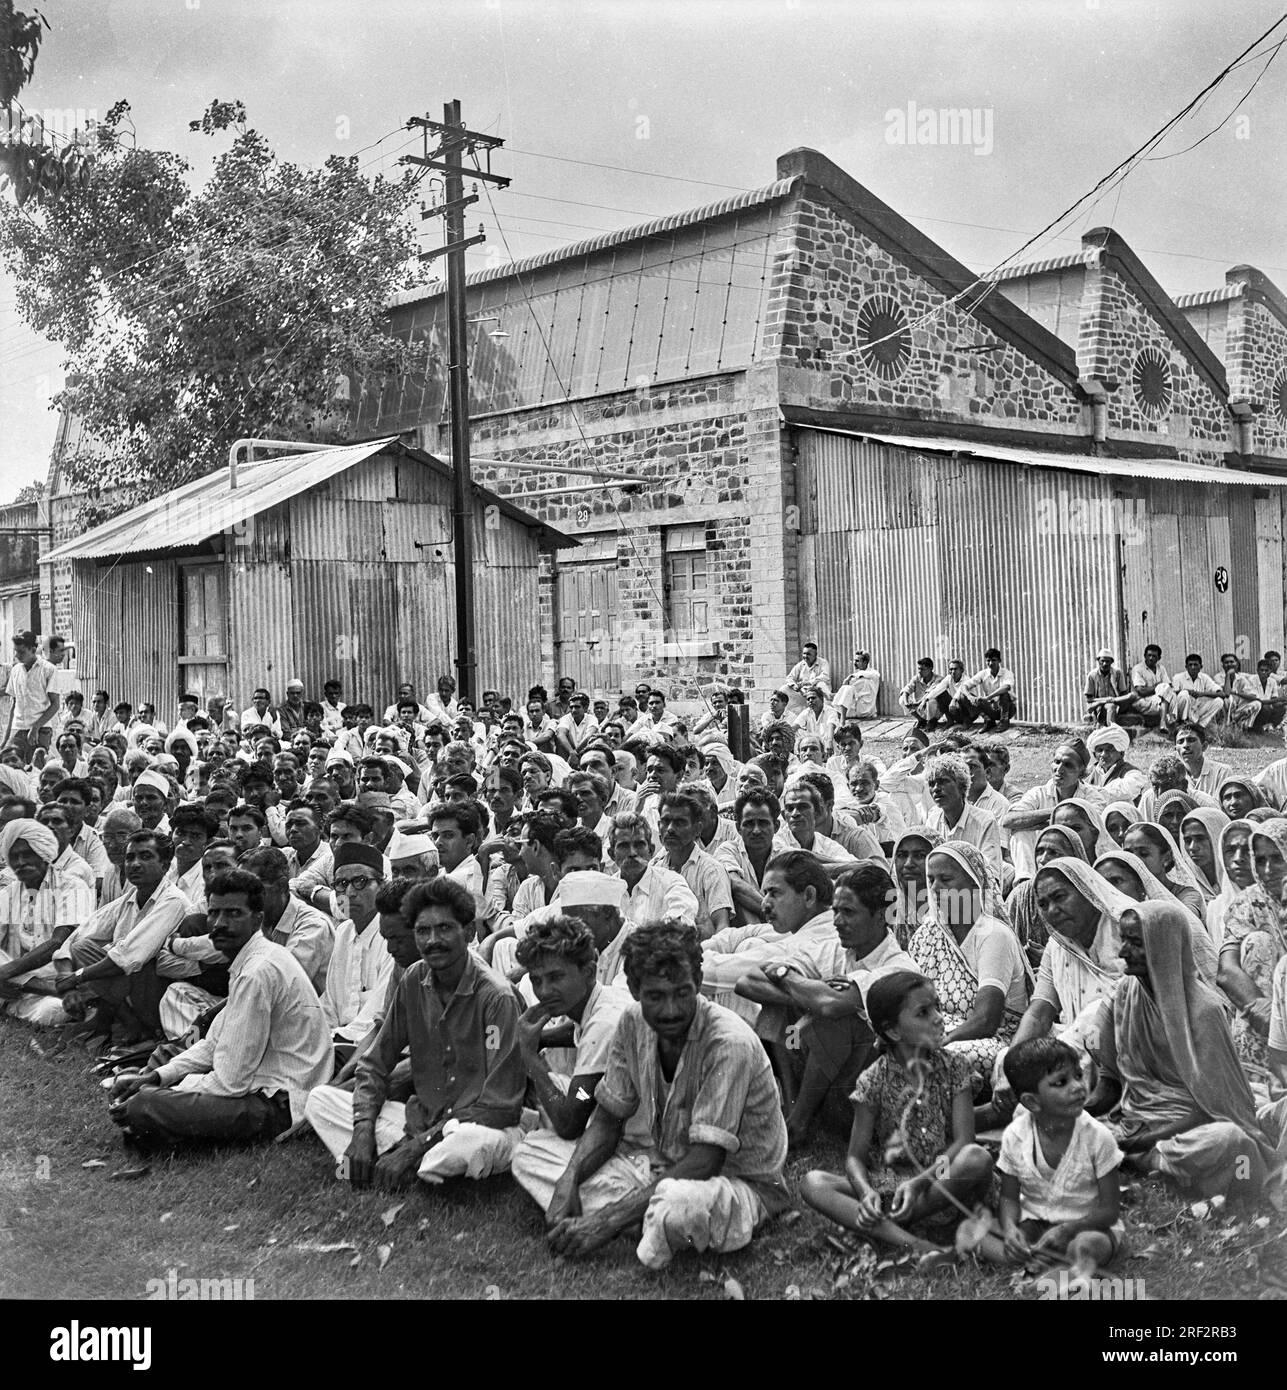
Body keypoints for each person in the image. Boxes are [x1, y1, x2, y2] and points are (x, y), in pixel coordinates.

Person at [521, 920, 791, 1268]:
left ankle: (635, 1216)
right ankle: (638, 1214)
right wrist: (569, 1179)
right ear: (633, 989)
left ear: (698, 982)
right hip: (660, 1164)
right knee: (531, 1152)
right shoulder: (632, 1021)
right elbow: (607, 1117)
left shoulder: (728, 1042)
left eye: (682, 993)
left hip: (735, 1181)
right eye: (655, 996)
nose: (671, 1010)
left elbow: (706, 1160)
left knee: (677, 1204)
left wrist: (605, 1222)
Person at [306, 876, 527, 1190]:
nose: (433, 940)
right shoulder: (413, 979)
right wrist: (363, 1130)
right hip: (422, 1119)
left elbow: (499, 1106)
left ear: (468, 932)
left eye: (445, 929)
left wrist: (416, 1145)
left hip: (479, 1126)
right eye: (423, 931)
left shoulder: (496, 998)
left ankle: (408, 1162)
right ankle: (411, 1165)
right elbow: (374, 1064)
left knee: (466, 1144)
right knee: (321, 1100)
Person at [108, 869, 331, 1147]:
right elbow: (213, 1044)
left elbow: (230, 1084)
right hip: (263, 1090)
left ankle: (156, 1121)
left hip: (279, 1104)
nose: (219, 924)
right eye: (214, 913)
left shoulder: (257, 971)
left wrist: (167, 1088)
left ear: (257, 919)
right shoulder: (251, 961)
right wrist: (158, 1075)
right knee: (151, 1093)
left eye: (234, 914)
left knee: (144, 1105)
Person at [799, 970, 993, 1261]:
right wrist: (866, 1193)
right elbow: (854, 1158)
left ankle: (875, 1230)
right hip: (891, 1186)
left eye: (937, 1007)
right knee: (813, 1182)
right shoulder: (873, 1080)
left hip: (941, 1182)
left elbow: (964, 1141)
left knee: (977, 1158)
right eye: (924, 1013)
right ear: (893, 1031)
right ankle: (915, 1244)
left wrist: (917, 1184)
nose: (939, 1017)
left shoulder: (955, 1068)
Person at [1094, 903, 1276, 1200]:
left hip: (1189, 1126)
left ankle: (1146, 1162)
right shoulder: (1127, 992)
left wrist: (1143, 1140)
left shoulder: (1205, 1010)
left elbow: (1217, 1106)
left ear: (1164, 947)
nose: (1123, 952)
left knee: (1234, 1141)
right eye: (1123, 940)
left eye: (1136, 943)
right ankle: (1154, 1166)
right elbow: (1117, 1078)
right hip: (1134, 1119)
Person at [979, 1036, 1126, 1275]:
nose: (1078, 1087)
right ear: (1032, 1102)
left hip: (1088, 1226)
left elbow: (1110, 1210)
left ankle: (1054, 1263)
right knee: (984, 1236)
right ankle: (1041, 1258)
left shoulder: (1098, 1137)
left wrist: (1068, 1230)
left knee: (1085, 1247)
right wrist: (1009, 1230)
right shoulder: (1015, 1136)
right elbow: (1009, 1198)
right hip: (1036, 1224)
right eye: (1061, 1082)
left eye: (1078, 1075)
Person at [511, 913, 630, 1157]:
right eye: (536, 980)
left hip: (632, 1143)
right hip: (598, 1104)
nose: (544, 991)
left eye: (556, 977)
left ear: (589, 971)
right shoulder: (598, 1000)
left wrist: (529, 1056)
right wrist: (537, 1038)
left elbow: (569, 1126)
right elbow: (576, 1031)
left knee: (527, 1155)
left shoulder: (603, 1022)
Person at [909, 842, 1030, 1083]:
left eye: (945, 879)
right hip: (934, 1032)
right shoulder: (927, 934)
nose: (935, 888)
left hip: (991, 1039)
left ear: (975, 885)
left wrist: (940, 1041)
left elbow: (986, 1020)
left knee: (944, 1059)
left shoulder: (993, 935)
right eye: (931, 879)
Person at [55, 830, 190, 1044]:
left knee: (138, 965)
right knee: (83, 947)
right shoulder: (131, 897)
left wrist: (76, 977)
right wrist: (67, 980)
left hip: (160, 991)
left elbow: (129, 957)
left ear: (165, 866)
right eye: (130, 858)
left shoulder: (174, 901)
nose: (135, 864)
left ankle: (146, 1028)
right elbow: (79, 934)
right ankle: (128, 1023)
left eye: (145, 857)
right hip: (129, 987)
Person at [0, 818, 96, 1027]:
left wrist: (6, 973)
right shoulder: (9, 893)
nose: (21, 862)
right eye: (14, 857)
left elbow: (58, 943)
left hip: (57, 977)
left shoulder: (73, 887)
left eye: (27, 854)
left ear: (44, 853)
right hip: (17, 978)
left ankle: (22, 996)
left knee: (53, 1012)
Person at [321, 843, 394, 1052]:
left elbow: (379, 1014)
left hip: (373, 1045)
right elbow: (330, 1004)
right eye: (341, 884)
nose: (350, 893)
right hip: (336, 1042)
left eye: (360, 882)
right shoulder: (343, 932)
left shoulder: (392, 935)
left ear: (382, 886)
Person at [1002, 741, 1098, 882]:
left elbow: (1092, 830)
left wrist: (1041, 823)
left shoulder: (1093, 797)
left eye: (1068, 765)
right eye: (1057, 762)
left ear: (1081, 771)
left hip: (1076, 858)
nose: (1059, 769)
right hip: (1043, 857)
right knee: (1021, 833)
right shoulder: (1038, 793)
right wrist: (1057, 811)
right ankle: (1025, 882)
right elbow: (1009, 820)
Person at [653, 793, 733, 939]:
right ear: (659, 826)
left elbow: (722, 926)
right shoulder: (655, 868)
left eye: (680, 822)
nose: (670, 829)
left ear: (697, 829)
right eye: (665, 821)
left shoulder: (711, 870)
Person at [923, 753, 1001, 871]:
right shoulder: (933, 819)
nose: (936, 789)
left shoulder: (985, 821)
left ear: (961, 785)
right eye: (931, 783)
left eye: (943, 781)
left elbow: (991, 872)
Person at [3, 632, 59, 763]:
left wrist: (36, 728)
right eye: (15, 651)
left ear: (33, 650)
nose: (17, 656)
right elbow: (14, 705)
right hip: (18, 728)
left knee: (36, 769)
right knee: (11, 767)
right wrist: (6, 739)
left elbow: (55, 704)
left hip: (41, 729)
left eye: (21, 652)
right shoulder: (15, 670)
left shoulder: (48, 669)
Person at [1085, 725, 1148, 803]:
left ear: (1121, 753)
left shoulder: (1132, 773)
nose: (1103, 754)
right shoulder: (1090, 771)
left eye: (1109, 750)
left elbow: (1126, 790)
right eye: (1100, 750)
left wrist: (1090, 792)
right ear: (1094, 754)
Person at [1167, 654, 1227, 732]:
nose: (1193, 667)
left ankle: (1200, 725)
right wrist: (1188, 691)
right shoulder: (1178, 677)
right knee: (1184, 694)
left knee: (1219, 701)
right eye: (1190, 665)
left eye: (1195, 665)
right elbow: (1171, 694)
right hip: (1180, 712)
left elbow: (1222, 694)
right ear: (1186, 667)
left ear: (1201, 667)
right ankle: (1183, 723)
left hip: (1196, 710)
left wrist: (1201, 694)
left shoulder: (1204, 678)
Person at [965, 648, 1016, 731]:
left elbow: (1006, 687)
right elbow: (965, 685)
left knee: (1004, 694)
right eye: (988, 661)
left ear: (999, 661)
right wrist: (969, 697)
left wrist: (988, 697)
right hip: (992, 708)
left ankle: (1004, 721)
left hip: (1008, 709)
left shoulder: (1006, 673)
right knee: (968, 697)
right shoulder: (983, 673)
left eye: (994, 660)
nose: (990, 663)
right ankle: (989, 721)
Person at [1230, 657, 1286, 731]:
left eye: (1266, 670)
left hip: (1265, 708)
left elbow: (1274, 701)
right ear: (1257, 671)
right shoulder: (1252, 680)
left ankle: (1268, 726)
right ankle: (1254, 727)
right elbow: (1260, 700)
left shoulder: (1272, 681)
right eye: (1261, 670)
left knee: (1282, 708)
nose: (1263, 672)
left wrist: (1284, 702)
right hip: (1252, 708)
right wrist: (1281, 699)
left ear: (1270, 672)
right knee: (1265, 708)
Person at [1083, 648, 1135, 727]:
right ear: (1098, 661)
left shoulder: (1117, 673)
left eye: (1107, 661)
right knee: (1110, 706)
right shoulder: (1092, 675)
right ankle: (1111, 731)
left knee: (1132, 698)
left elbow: (1123, 693)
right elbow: (1089, 699)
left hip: (1116, 702)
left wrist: (1117, 699)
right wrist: (1104, 701)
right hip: (1099, 706)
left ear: (1111, 662)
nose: (1105, 664)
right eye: (1102, 661)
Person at [833, 649, 881, 721]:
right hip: (855, 708)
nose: (854, 663)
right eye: (854, 660)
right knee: (846, 689)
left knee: (848, 688)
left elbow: (875, 675)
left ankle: (841, 719)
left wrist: (851, 676)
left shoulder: (872, 674)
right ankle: (839, 715)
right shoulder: (855, 677)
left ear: (865, 662)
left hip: (865, 710)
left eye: (857, 661)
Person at [1129, 644, 1169, 723]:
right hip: (1142, 700)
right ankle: (1163, 723)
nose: (1151, 658)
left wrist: (1162, 687)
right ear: (1145, 656)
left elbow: (1168, 686)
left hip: (1158, 698)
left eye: (1154, 656)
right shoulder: (1138, 669)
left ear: (1159, 658)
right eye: (1149, 655)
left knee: (1174, 699)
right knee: (1167, 706)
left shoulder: (1161, 668)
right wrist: (1158, 686)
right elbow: (1141, 691)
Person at [898, 658, 942, 729]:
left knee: (930, 700)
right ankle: (921, 720)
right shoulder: (917, 678)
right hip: (919, 706)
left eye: (922, 669)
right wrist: (906, 702)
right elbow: (907, 689)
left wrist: (918, 703)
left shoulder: (938, 679)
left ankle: (932, 721)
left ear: (930, 669)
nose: (919, 671)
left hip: (935, 707)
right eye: (919, 669)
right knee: (902, 699)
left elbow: (930, 693)